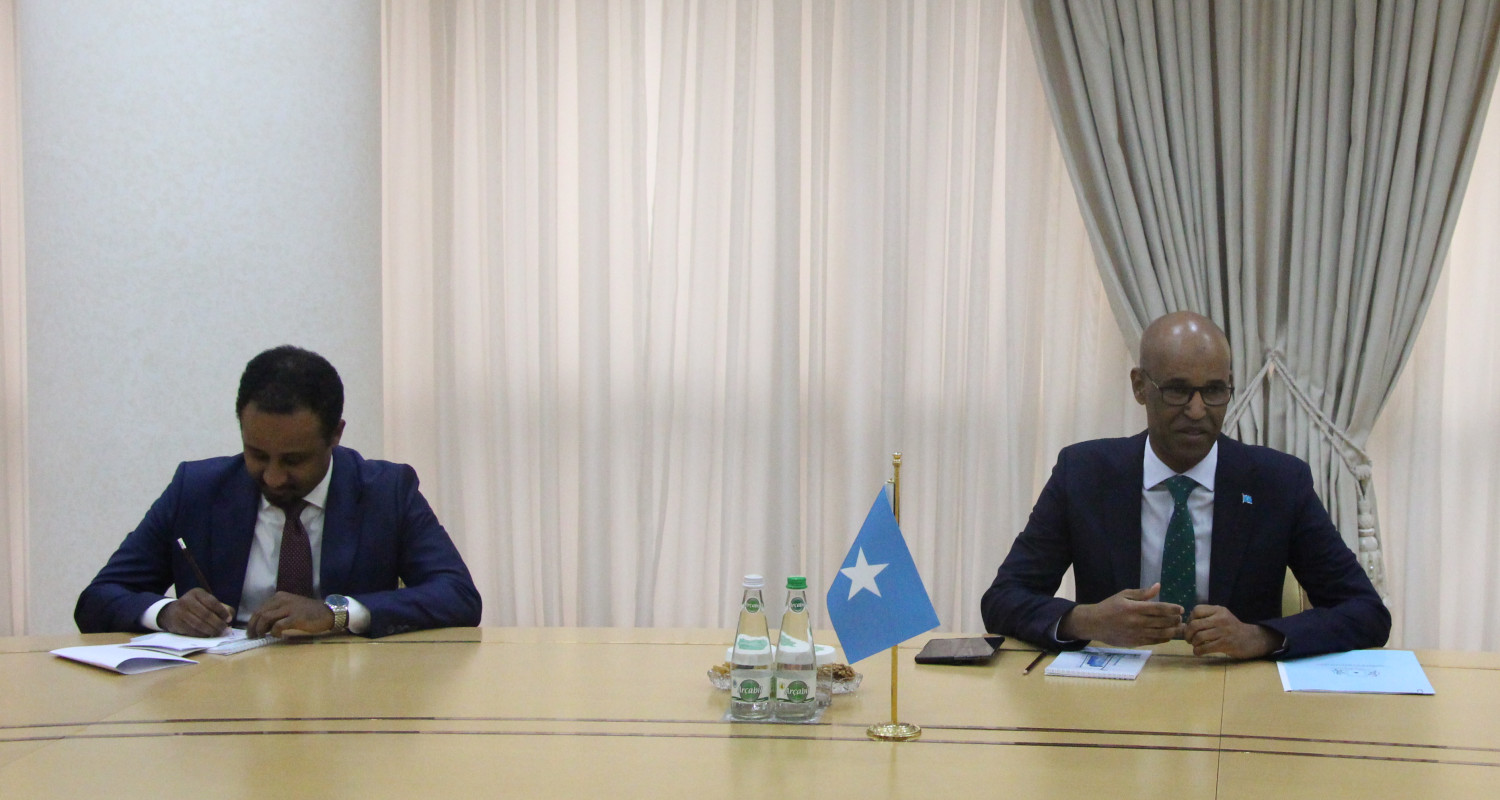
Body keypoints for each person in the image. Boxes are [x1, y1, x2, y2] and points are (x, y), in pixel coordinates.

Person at [981, 311, 1389, 659]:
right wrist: (1086, 620)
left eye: (1213, 391)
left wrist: (1259, 637)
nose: (1197, 410)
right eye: (1177, 390)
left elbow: (1366, 612)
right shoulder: (1084, 474)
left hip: (1235, 693)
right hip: (1113, 690)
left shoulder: (1277, 482)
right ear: (1140, 386)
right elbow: (1003, 598)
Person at [75, 345, 482, 639]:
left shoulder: (386, 491)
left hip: (348, 695)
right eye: (256, 454)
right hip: (219, 700)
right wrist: (166, 612)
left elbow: (459, 595)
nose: (272, 477)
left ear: (336, 435)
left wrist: (337, 613)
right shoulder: (196, 490)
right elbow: (98, 598)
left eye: (293, 460)